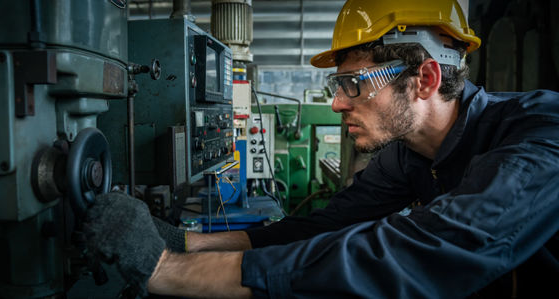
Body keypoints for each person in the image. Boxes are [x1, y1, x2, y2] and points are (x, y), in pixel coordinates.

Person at [83, 0, 559, 297]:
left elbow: (414, 253)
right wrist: (182, 242)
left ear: (425, 79)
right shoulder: (408, 154)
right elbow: (326, 226)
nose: (335, 103)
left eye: (352, 83)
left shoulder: (538, 140)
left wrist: (169, 272)